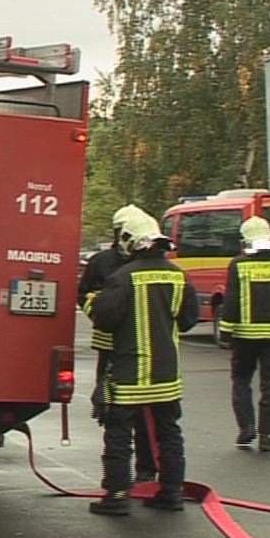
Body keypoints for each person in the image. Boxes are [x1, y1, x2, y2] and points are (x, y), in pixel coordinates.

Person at [88, 211, 199, 515]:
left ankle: (117, 497)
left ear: (132, 242)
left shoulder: (122, 277)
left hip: (130, 374)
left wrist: (93, 302)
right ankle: (171, 493)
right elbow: (188, 320)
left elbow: (105, 319)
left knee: (119, 435)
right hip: (167, 375)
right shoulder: (179, 275)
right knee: (169, 433)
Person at [78, 204, 157, 483]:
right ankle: (118, 478)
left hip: (142, 346)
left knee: (145, 413)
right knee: (112, 411)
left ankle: (145, 471)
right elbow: (83, 294)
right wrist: (96, 311)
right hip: (109, 346)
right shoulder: (101, 262)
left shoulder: (148, 263)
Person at [218, 216, 270, 452]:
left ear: (245, 240)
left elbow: (231, 302)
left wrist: (225, 333)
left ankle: (246, 427)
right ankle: (267, 437)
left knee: (241, 381)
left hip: (245, 337)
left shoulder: (238, 264)